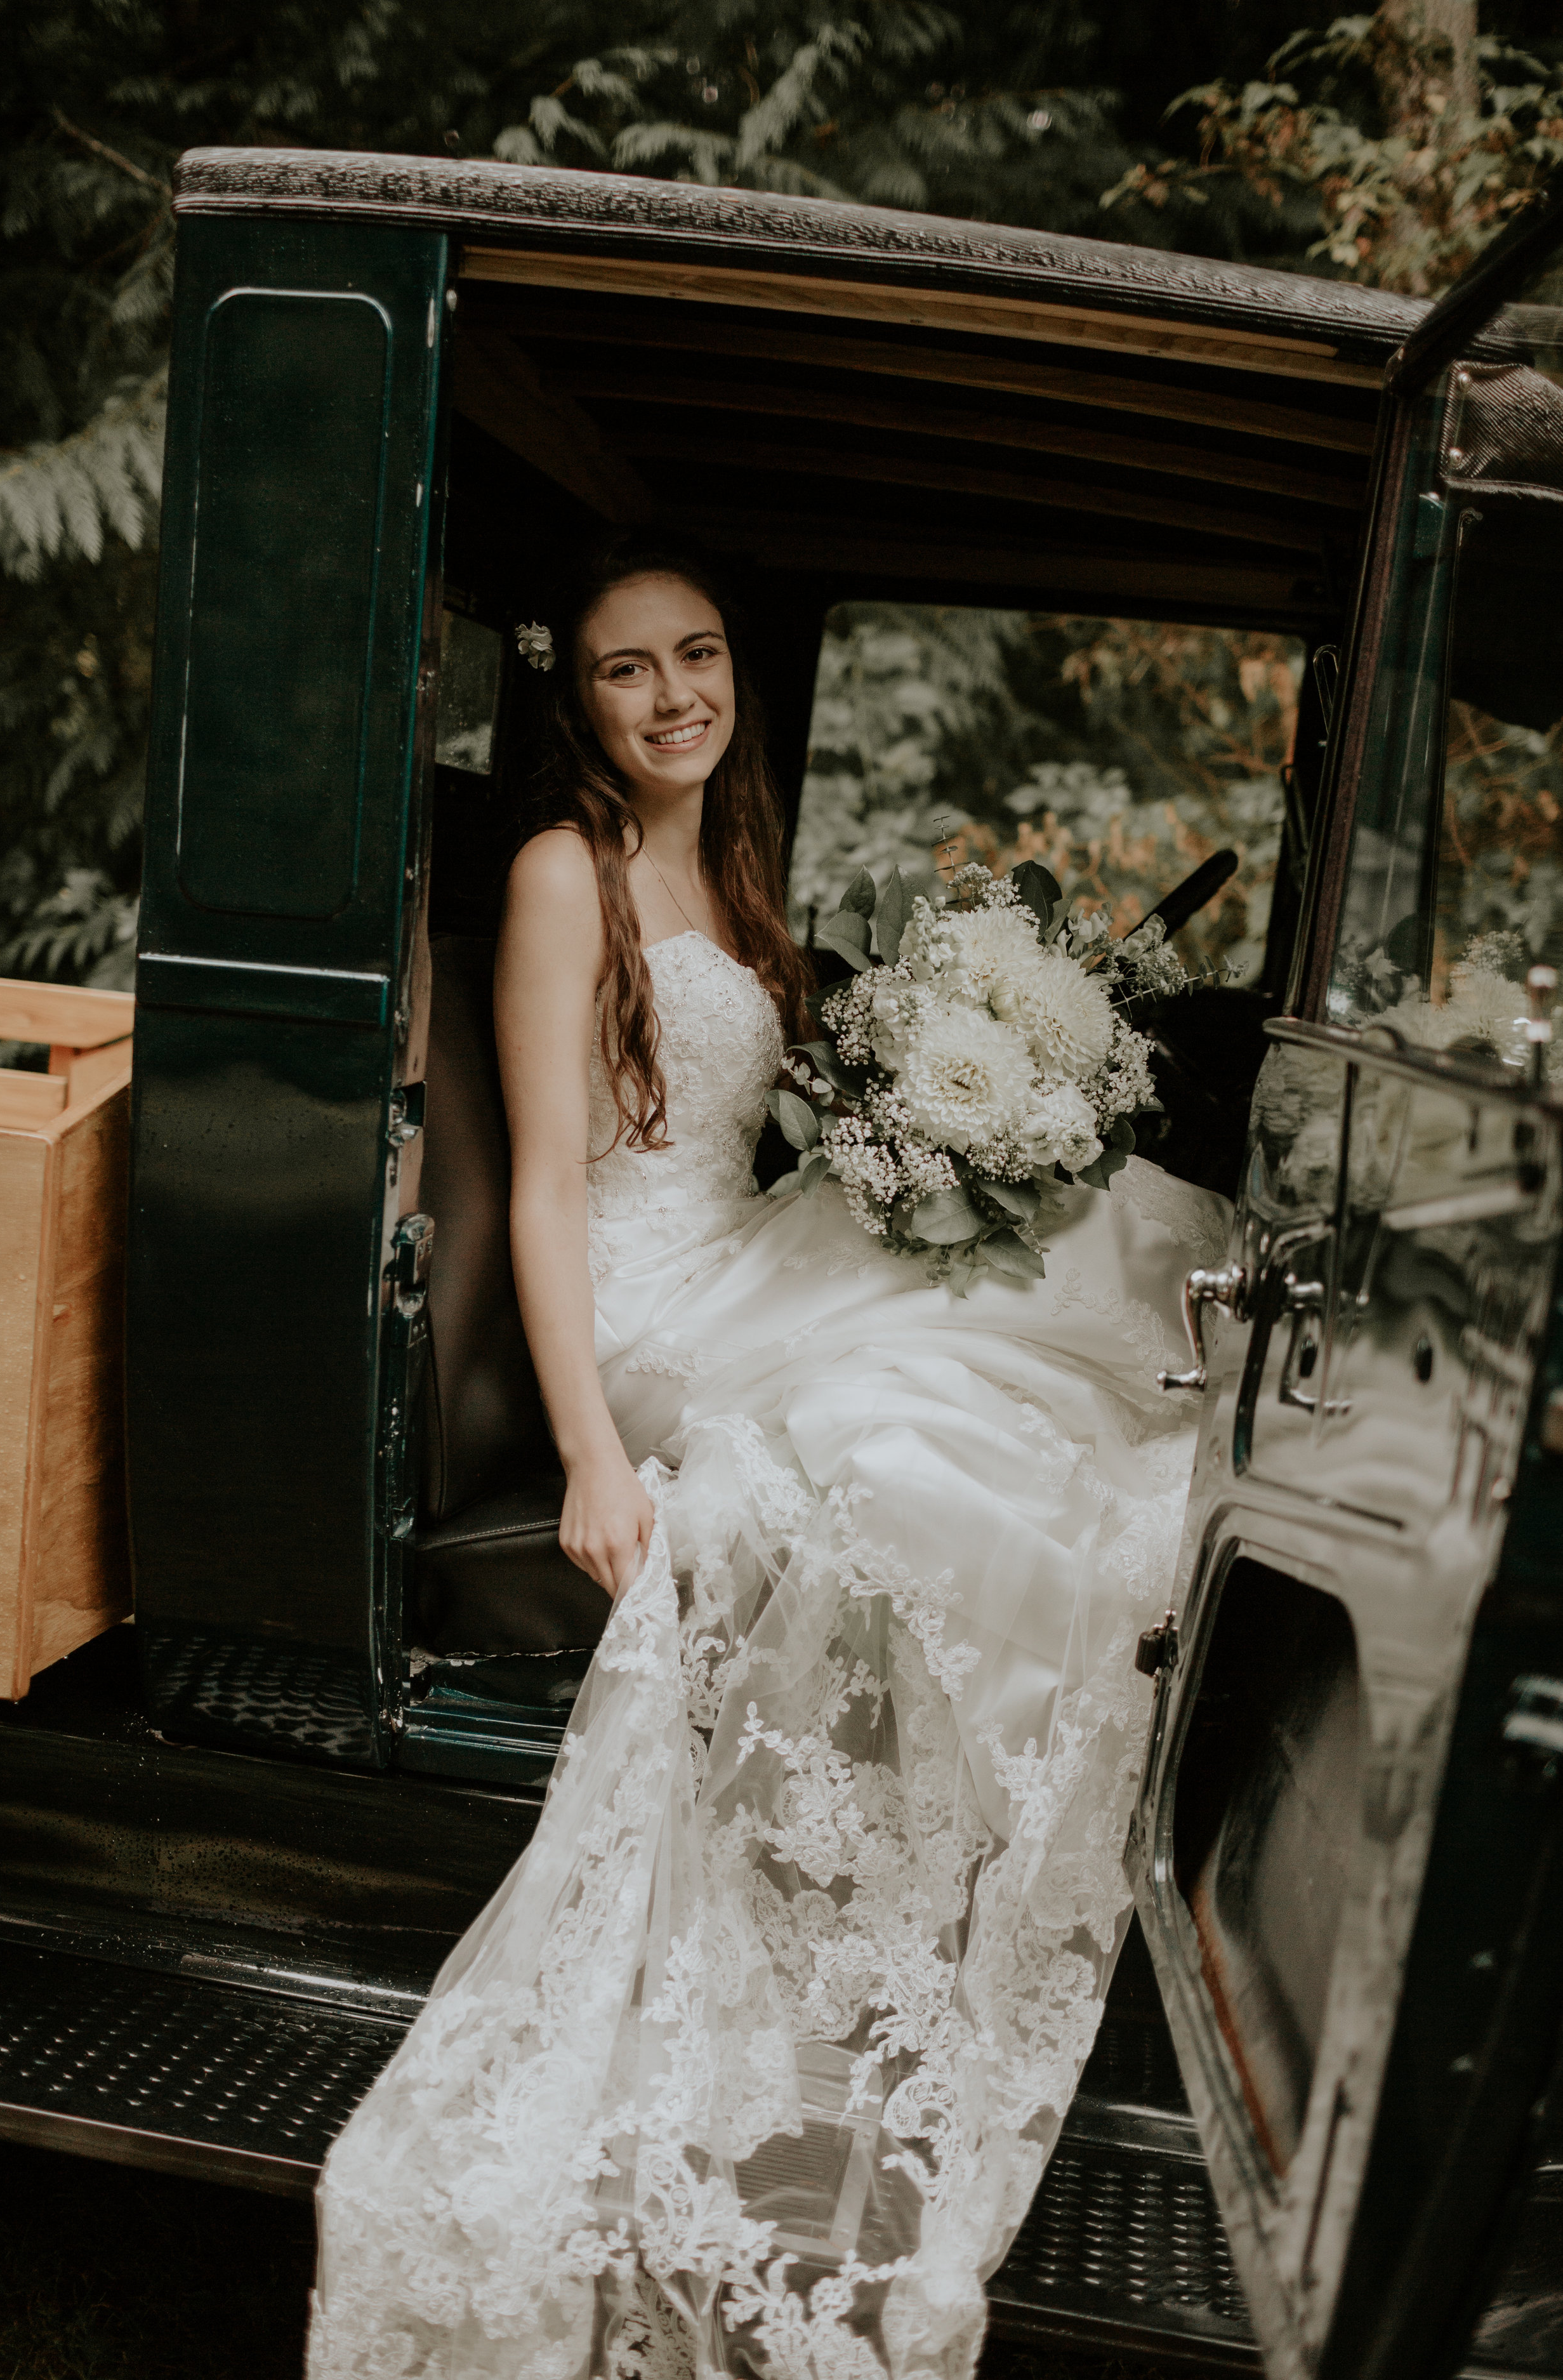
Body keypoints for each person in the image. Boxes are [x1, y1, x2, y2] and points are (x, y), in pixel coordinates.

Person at [307, 540, 1229, 2380]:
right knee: (908, 1450)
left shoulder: (727, 861)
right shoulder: (565, 870)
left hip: (746, 1254)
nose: (674, 698)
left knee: (1090, 1284)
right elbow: (560, 1188)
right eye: (630, 671)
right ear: (579, 699)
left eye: (700, 658)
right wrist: (589, 1456)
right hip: (655, 1316)